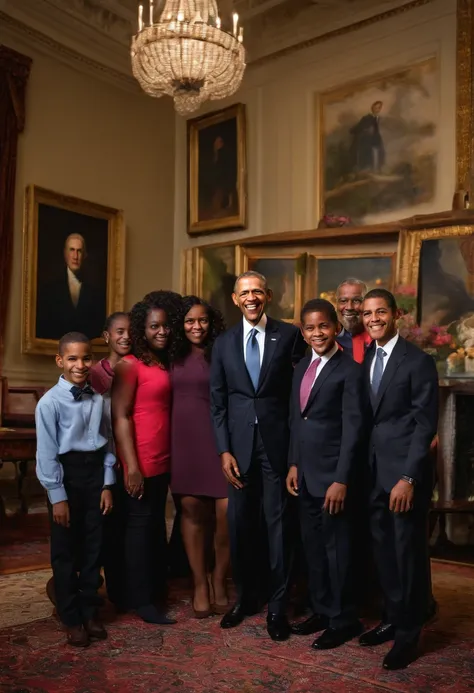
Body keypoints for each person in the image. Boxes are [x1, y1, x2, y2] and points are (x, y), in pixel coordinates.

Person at [210, 270, 307, 641]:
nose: (250, 298)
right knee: (240, 526)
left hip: (277, 446)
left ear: (267, 295)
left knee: (279, 527)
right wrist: (223, 450)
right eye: (243, 293)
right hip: (237, 450)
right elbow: (218, 403)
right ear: (235, 300)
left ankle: (278, 608)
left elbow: (302, 394)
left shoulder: (290, 335)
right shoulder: (223, 343)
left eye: (256, 292)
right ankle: (246, 598)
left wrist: (297, 451)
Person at [359, 288, 438, 670]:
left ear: (395, 315)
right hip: (373, 474)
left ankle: (409, 634)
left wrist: (408, 477)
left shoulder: (418, 361)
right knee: (384, 554)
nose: (373, 319)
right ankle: (392, 618)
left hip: (403, 476)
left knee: (408, 556)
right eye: (367, 313)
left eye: (380, 312)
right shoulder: (368, 355)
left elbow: (425, 427)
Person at [287, 299, 365, 650]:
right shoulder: (302, 365)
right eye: (310, 327)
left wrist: (341, 478)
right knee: (314, 548)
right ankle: (322, 609)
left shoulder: (350, 370)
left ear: (335, 327)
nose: (317, 332)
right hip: (305, 474)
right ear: (303, 332)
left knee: (338, 550)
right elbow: (297, 420)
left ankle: (344, 619)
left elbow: (353, 429)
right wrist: (293, 463)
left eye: (323, 326)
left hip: (333, 477)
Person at [35, 331, 115, 647]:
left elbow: (107, 443)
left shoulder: (98, 400)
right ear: (60, 361)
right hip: (65, 476)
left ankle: (89, 611)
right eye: (72, 358)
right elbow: (46, 453)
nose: (80, 365)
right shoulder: (49, 404)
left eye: (85, 358)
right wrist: (57, 496)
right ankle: (70, 616)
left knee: (94, 546)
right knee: (66, 548)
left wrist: (108, 483)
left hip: (95, 474)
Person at [111, 293, 179, 625]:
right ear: (142, 328)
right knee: (139, 527)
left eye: (166, 325)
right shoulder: (130, 365)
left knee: (154, 525)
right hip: (141, 460)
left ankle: (152, 591)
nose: (161, 331)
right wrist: (132, 466)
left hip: (165, 459)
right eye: (154, 326)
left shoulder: (162, 361)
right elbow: (120, 416)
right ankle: (141, 601)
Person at [170, 296, 229, 618]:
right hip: (183, 440)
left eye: (202, 320)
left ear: (212, 322)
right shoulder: (170, 354)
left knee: (226, 513)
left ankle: (220, 577)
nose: (196, 326)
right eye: (189, 321)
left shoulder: (222, 350)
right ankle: (200, 583)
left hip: (217, 438)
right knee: (191, 509)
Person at [90, 311, 131, 610]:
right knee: (100, 529)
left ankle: (121, 589)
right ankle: (93, 589)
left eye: (130, 331)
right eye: (119, 331)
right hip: (99, 462)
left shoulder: (137, 369)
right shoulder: (92, 373)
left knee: (124, 528)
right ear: (107, 336)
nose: (125, 336)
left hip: (128, 461)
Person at [36, 233, 105, 341]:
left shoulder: (95, 293)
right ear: (65, 253)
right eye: (72, 250)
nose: (75, 256)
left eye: (79, 251)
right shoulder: (50, 290)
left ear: (85, 255)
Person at [335, 278, 371, 363]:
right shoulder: (326, 340)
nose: (349, 307)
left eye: (356, 301)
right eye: (343, 301)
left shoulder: (377, 341)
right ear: (336, 304)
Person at [350, 101, 385, 174]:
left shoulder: (379, 119)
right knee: (367, 157)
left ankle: (376, 170)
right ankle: (366, 171)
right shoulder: (366, 118)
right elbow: (358, 128)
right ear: (372, 108)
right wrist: (365, 130)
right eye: (375, 107)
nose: (377, 109)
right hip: (367, 140)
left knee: (378, 155)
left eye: (379, 108)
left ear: (380, 109)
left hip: (376, 140)